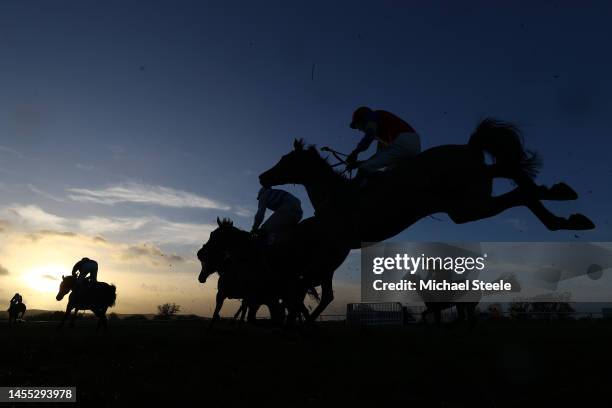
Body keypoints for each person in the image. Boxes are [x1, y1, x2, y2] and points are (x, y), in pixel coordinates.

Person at [346, 106, 422, 178]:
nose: (359, 130)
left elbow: (369, 135)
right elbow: (379, 156)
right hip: (411, 145)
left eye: (358, 126)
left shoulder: (372, 116)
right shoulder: (382, 134)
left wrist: (355, 152)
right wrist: (359, 164)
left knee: (364, 170)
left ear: (362, 119)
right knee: (386, 172)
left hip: (404, 142)